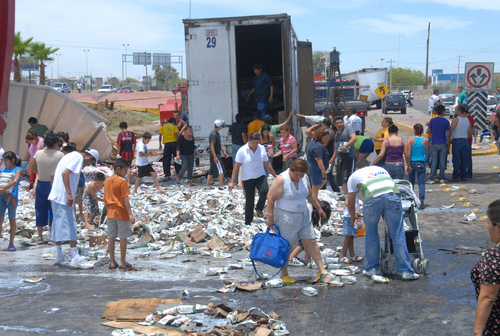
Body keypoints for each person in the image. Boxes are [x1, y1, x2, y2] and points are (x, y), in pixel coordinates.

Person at [266, 159, 337, 284]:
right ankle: (284, 274)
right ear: (291, 170)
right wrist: (270, 218)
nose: (298, 177)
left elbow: (310, 195)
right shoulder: (282, 180)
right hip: (286, 217)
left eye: (301, 175)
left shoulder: (305, 178)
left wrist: (319, 208)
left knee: (311, 241)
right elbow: (270, 199)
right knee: (287, 246)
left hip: (304, 214)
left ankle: (322, 271)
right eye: (296, 174)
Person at [347, 159, 419, 280]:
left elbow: (350, 202)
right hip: (392, 197)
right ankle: (407, 271)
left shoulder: (353, 176)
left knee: (371, 235)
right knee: (397, 234)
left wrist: (352, 217)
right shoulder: (381, 170)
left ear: (357, 169)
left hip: (372, 199)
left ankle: (372, 269)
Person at [49, 149, 99, 269]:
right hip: (63, 198)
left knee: (57, 224)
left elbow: (53, 174)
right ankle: (75, 258)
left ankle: (60, 254)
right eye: (90, 163)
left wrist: (56, 190)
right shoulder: (78, 158)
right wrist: (68, 193)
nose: (87, 166)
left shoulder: (69, 155)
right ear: (90, 157)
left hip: (55, 196)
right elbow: (65, 174)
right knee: (71, 225)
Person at [229, 132, 276, 224]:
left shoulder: (261, 148)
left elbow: (267, 163)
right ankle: (248, 222)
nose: (254, 145)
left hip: (260, 175)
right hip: (247, 178)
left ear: (259, 141)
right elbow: (236, 167)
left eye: (256, 143)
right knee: (250, 200)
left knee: (264, 191)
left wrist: (275, 176)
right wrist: (232, 181)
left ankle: (259, 208)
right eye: (252, 143)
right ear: (248, 141)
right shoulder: (242, 150)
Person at [472, 200, 500, 336]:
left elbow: (488, 297)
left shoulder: (494, 256)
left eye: (488, 223)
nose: (487, 227)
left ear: (498, 228)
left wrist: (477, 333)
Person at [31, 131, 64, 243]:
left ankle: (40, 236)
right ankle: (51, 236)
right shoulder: (60, 155)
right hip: (54, 184)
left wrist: (40, 173)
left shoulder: (38, 153)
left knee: (40, 209)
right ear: (55, 143)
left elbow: (33, 168)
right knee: (53, 210)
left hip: (41, 183)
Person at [105, 159, 135, 269]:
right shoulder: (122, 181)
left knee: (111, 237)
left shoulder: (107, 181)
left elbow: (105, 198)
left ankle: (112, 262)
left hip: (110, 213)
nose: (126, 172)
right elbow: (125, 198)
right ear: (118, 169)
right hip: (121, 213)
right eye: (125, 170)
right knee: (123, 237)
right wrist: (130, 213)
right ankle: (122, 262)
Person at [288, 201, 332, 267]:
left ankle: (290, 256)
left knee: (300, 240)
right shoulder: (309, 213)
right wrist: (307, 252)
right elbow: (304, 237)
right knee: (305, 241)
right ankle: (291, 258)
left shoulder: (310, 209)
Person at [0, 152, 23, 251]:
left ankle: (11, 243)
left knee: (12, 220)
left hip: (12, 198)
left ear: (12, 160)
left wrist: (3, 188)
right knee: (0, 220)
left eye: (6, 161)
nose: (4, 163)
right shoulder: (3, 171)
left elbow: (15, 181)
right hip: (2, 197)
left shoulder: (18, 170)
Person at [330, 116, 357, 195]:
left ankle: (349, 197)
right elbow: (336, 148)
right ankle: (345, 196)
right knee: (341, 180)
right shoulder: (336, 135)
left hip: (348, 158)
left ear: (343, 122)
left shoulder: (348, 129)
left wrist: (346, 146)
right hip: (340, 159)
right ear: (334, 125)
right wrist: (332, 159)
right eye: (337, 123)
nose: (339, 124)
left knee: (347, 178)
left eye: (341, 122)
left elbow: (354, 138)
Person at [405, 123, 429, 208]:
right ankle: (421, 199)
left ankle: (411, 199)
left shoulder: (411, 139)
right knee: (421, 182)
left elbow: (408, 153)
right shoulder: (426, 140)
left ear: (414, 130)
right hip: (421, 162)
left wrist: (407, 165)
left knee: (411, 182)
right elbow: (425, 152)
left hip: (412, 162)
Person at [448, 104, 472, 182]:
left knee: (456, 159)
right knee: (464, 159)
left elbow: (450, 131)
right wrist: (466, 138)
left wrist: (449, 139)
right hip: (465, 140)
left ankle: (455, 176)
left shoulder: (456, 120)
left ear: (459, 111)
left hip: (457, 141)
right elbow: (469, 132)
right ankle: (463, 175)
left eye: (455, 110)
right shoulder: (467, 120)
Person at [305, 125, 330, 200]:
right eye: (325, 138)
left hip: (311, 166)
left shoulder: (313, 140)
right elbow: (318, 159)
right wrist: (323, 170)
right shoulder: (318, 146)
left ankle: (311, 196)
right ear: (321, 136)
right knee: (316, 186)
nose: (326, 140)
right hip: (315, 168)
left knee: (322, 181)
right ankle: (314, 201)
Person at [427, 105, 450, 184]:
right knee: (442, 162)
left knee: (434, 162)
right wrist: (448, 145)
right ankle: (442, 178)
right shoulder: (446, 121)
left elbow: (429, 132)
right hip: (443, 143)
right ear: (443, 112)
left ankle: (432, 178)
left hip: (434, 143)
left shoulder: (432, 121)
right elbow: (448, 135)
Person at [341, 192, 364, 263]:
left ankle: (352, 255)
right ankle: (343, 256)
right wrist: (355, 212)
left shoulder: (355, 196)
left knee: (351, 237)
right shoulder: (350, 195)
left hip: (355, 218)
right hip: (349, 218)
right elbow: (347, 204)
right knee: (347, 238)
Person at [206, 119, 228, 187]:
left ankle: (207, 186)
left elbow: (218, 144)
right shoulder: (213, 134)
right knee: (221, 170)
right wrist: (215, 156)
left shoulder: (216, 133)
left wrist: (223, 151)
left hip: (215, 154)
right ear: (220, 126)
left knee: (211, 171)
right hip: (215, 155)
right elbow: (212, 146)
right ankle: (221, 185)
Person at [227, 114, 247, 183]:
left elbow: (229, 133)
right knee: (242, 163)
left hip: (234, 145)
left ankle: (235, 180)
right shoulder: (243, 126)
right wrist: (246, 144)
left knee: (235, 163)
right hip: (241, 145)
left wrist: (234, 133)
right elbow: (244, 136)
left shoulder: (233, 125)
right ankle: (241, 179)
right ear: (242, 119)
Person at [463, 105, 475, 179]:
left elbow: (471, 130)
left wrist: (467, 138)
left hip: (467, 140)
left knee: (467, 157)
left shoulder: (468, 118)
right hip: (467, 139)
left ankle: (468, 173)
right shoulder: (469, 118)